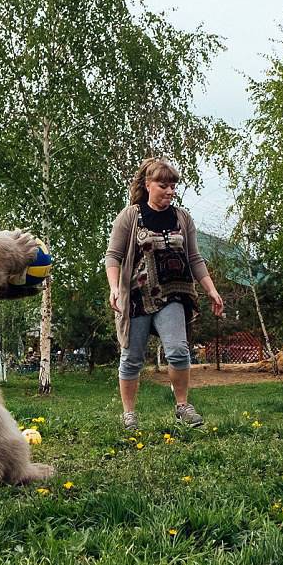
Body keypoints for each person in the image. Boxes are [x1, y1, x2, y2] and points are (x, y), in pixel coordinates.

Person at [104, 157, 224, 430]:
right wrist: (114, 288)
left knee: (179, 351)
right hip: (136, 298)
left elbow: (195, 258)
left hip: (173, 295)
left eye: (173, 186)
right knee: (132, 358)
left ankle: (182, 407)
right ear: (148, 185)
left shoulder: (182, 218)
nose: (170, 191)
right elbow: (113, 256)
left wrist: (211, 290)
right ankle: (129, 416)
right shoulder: (131, 216)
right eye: (163, 185)